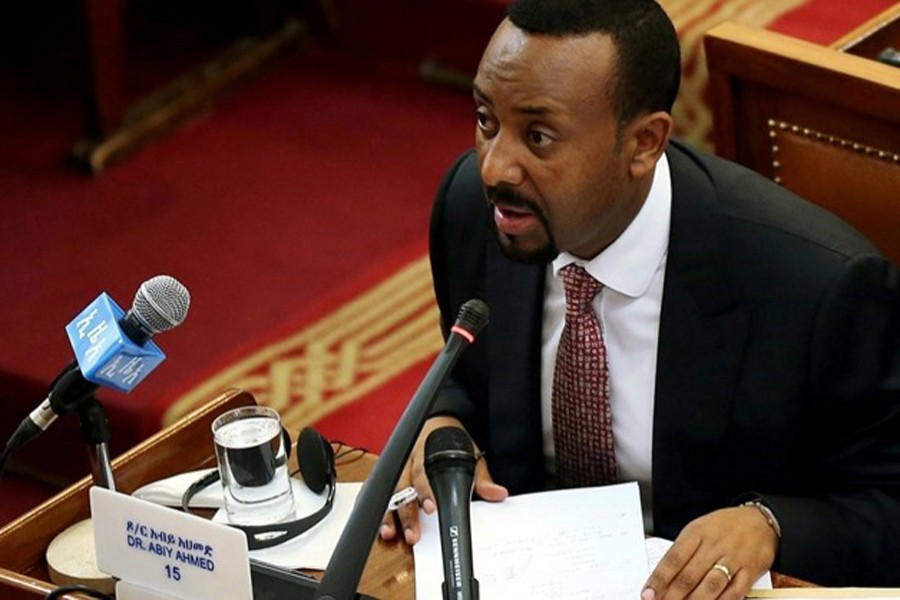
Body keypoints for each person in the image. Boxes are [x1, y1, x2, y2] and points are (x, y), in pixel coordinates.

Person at [379, 0, 900, 596]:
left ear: (645, 143)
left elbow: (889, 501)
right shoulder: (476, 210)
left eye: (539, 136)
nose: (495, 168)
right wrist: (444, 422)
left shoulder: (816, 287)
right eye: (485, 120)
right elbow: (466, 371)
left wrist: (770, 525)